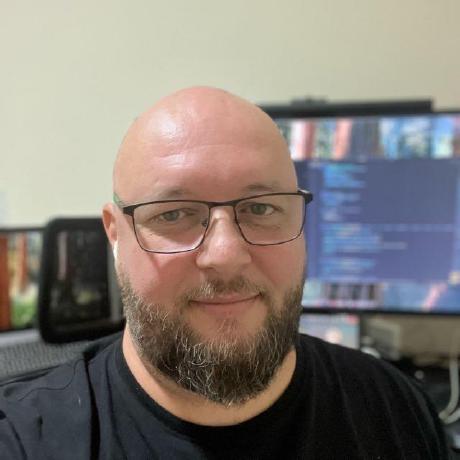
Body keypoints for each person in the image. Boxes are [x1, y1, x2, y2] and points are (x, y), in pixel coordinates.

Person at [0, 87, 450, 459]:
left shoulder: (395, 409)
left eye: (262, 208)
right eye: (173, 213)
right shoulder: (23, 440)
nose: (226, 255)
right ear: (115, 235)